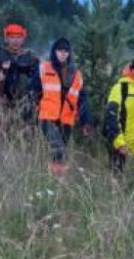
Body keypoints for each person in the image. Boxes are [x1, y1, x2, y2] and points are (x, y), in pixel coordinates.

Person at [30, 37, 92, 175]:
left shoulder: (76, 75)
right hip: (47, 117)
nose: (63, 53)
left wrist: (86, 122)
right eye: (60, 50)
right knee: (57, 148)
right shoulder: (43, 68)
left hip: (66, 120)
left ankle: (53, 178)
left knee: (59, 151)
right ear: (54, 51)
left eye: (66, 51)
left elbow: (82, 100)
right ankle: (55, 177)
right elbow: (33, 92)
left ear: (69, 53)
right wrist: (33, 111)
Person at [0, 23, 40, 123]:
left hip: (24, 103)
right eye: (12, 37)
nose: (15, 41)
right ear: (6, 38)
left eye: (19, 37)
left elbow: (38, 80)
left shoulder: (31, 57)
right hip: (1, 102)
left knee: (22, 131)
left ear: (23, 39)